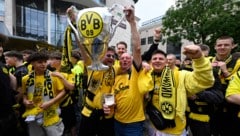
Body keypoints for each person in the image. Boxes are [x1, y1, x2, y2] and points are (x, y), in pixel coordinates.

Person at [140, 43, 214, 136]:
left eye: (161, 59)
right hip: (155, 126)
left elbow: (204, 81)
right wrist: (142, 63)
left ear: (166, 62)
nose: (157, 61)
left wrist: (199, 59)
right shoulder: (148, 76)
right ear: (151, 62)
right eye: (154, 59)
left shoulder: (179, 75)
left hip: (175, 130)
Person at [103, 5, 150, 136]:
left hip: (134, 124)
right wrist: (108, 109)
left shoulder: (137, 72)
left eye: (127, 58)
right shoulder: (115, 77)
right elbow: (111, 100)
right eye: (122, 58)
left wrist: (132, 23)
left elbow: (137, 48)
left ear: (132, 60)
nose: (124, 60)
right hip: (117, 122)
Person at [21, 52, 66, 136]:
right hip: (33, 114)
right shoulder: (25, 79)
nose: (43, 64)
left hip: (51, 113)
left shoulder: (54, 76)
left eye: (45, 62)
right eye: (40, 62)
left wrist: (50, 102)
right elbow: (24, 93)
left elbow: (63, 91)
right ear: (32, 63)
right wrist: (25, 101)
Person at [209, 36, 240, 136]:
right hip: (211, 105)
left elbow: (237, 82)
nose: (222, 47)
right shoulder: (207, 61)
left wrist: (225, 71)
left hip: (231, 106)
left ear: (233, 46)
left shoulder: (238, 62)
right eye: (219, 45)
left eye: (226, 45)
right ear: (215, 47)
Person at [47, 51, 77, 136]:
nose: (49, 61)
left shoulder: (69, 72)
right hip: (53, 105)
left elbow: (71, 87)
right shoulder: (50, 72)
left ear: (59, 60)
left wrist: (61, 77)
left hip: (66, 104)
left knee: (71, 125)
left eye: (51, 59)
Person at [4, 50, 29, 136]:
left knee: (22, 125)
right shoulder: (18, 69)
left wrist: (16, 102)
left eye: (7, 59)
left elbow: (22, 89)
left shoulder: (21, 71)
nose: (6, 61)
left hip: (21, 103)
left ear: (14, 58)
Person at [0, 33, 18, 136]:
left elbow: (11, 82)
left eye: (1, 46)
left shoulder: (3, 66)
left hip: (8, 114)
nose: (1, 49)